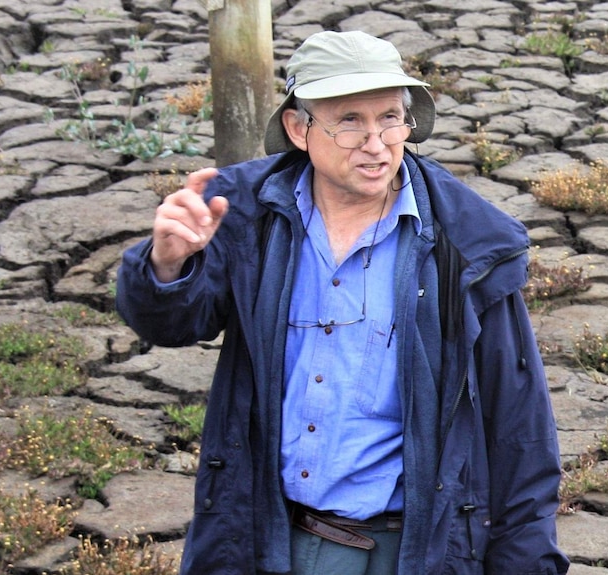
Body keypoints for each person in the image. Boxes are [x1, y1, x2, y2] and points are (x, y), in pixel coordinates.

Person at [116, 30, 569, 575]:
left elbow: (520, 428)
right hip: (266, 539)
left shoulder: (466, 242)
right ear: (298, 128)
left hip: (409, 551)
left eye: (389, 118)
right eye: (349, 120)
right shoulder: (244, 213)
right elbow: (170, 325)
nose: (375, 142)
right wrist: (167, 265)